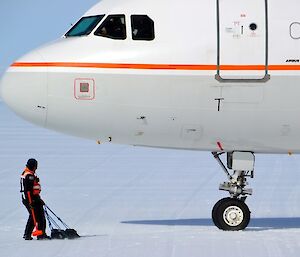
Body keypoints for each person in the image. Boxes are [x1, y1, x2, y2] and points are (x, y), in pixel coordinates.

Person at [20, 159, 50, 240]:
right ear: (33, 166)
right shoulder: (29, 176)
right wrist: (31, 202)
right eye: (35, 166)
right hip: (30, 199)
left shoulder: (28, 173)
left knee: (36, 216)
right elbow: (28, 191)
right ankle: (40, 235)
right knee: (37, 217)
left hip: (32, 199)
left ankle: (31, 234)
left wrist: (39, 199)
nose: (36, 168)